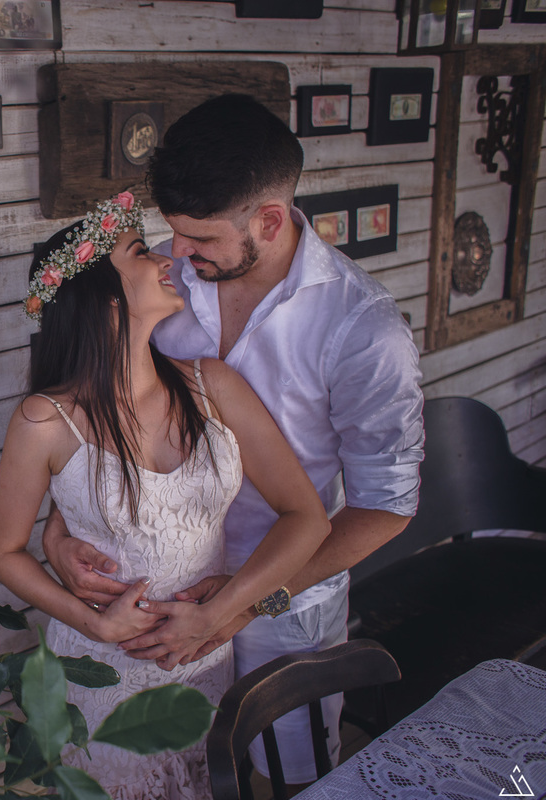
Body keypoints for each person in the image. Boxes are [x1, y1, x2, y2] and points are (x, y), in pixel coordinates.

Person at [43, 94, 425, 790]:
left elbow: (387, 508)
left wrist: (237, 607)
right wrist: (58, 533)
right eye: (173, 234)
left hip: (288, 604)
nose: (178, 253)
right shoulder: (155, 281)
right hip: (155, 606)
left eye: (200, 240)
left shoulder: (364, 331)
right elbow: (98, 417)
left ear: (270, 220)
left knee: (291, 777)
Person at [0, 191, 331, 800]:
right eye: (141, 253)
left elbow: (308, 518)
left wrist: (229, 611)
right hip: (100, 675)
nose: (167, 261)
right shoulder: (45, 420)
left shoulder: (212, 385)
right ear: (106, 300)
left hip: (204, 660)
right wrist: (94, 625)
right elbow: (2, 551)